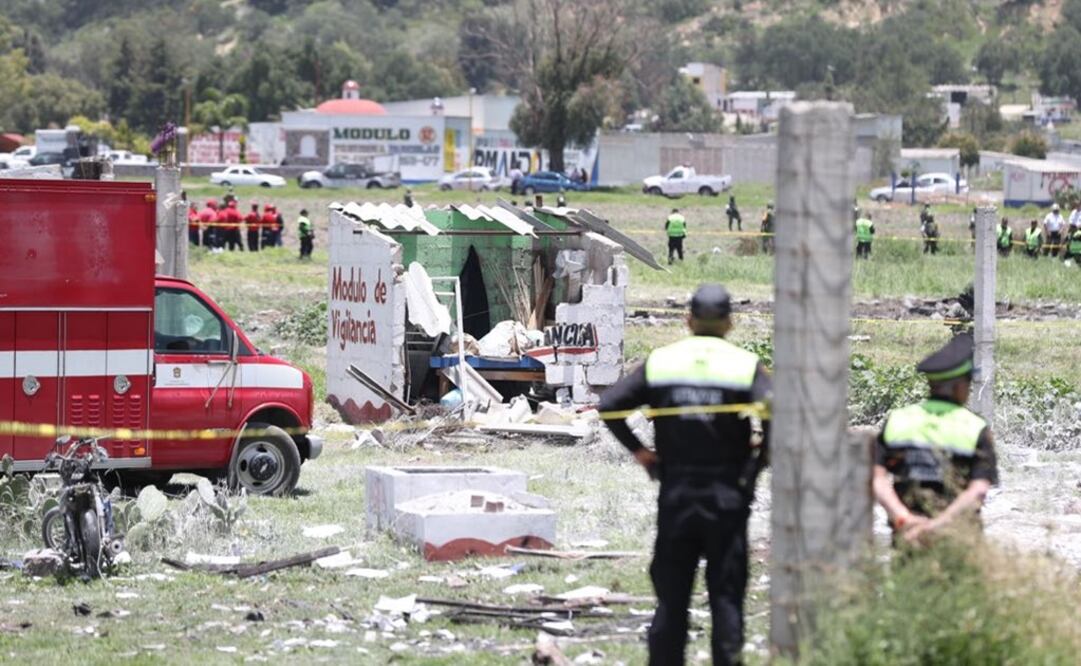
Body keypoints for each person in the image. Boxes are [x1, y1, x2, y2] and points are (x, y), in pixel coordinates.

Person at [598, 284, 771, 666]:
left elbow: (609, 406)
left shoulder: (661, 362)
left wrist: (641, 453)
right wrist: (758, 461)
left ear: (688, 319)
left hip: (676, 493)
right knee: (726, 597)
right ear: (730, 322)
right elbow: (781, 413)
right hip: (727, 494)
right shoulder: (744, 365)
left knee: (672, 598)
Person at [873, 333, 998, 546]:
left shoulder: (897, 421)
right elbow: (978, 490)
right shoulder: (976, 428)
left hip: (907, 537)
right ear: (961, 386)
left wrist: (904, 518)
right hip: (958, 540)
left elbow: (876, 480)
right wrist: (936, 527)